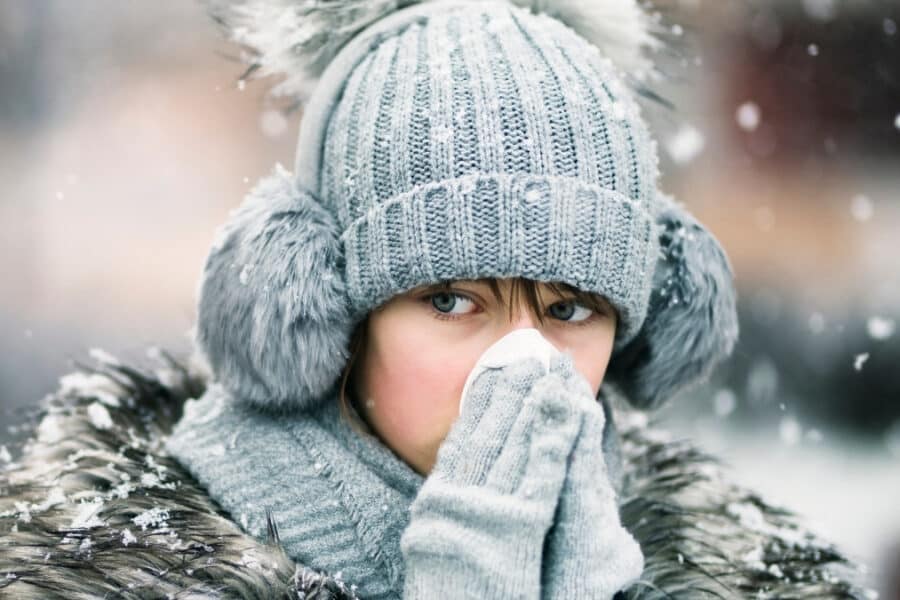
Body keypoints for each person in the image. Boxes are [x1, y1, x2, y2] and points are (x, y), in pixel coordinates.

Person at [0, 1, 872, 598]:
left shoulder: (721, 566)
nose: (523, 362)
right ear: (323, 306)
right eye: (453, 301)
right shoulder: (117, 569)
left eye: (569, 310)